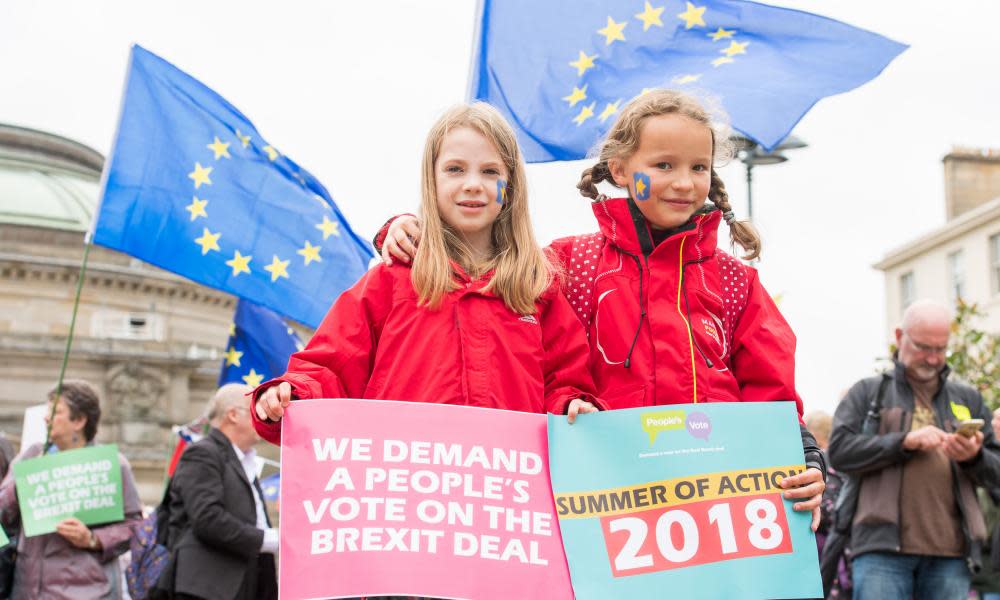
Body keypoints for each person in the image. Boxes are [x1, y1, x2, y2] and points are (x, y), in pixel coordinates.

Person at [376, 89, 825, 525]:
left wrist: (805, 459)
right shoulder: (570, 264)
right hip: (604, 504)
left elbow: (773, 395)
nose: (684, 182)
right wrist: (408, 231)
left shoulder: (735, 281)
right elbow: (485, 279)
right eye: (664, 165)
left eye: (699, 167)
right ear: (621, 169)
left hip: (714, 503)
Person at [253, 101, 599, 437]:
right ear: (431, 181)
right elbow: (329, 367)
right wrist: (290, 394)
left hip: (505, 485)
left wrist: (573, 406)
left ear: (510, 188)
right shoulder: (392, 279)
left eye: (490, 171)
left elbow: (565, 381)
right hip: (407, 485)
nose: (473, 183)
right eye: (455, 169)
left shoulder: (537, 289)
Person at [828, 299, 1000, 600]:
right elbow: (840, 452)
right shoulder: (869, 393)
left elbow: (997, 471)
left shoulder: (967, 397)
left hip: (953, 554)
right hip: (880, 552)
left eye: (940, 349)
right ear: (899, 337)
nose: (933, 359)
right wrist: (903, 442)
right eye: (923, 347)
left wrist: (974, 457)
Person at [0, 379, 142, 599]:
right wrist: (24, 484)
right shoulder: (30, 456)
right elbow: (2, 514)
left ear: (79, 420)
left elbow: (134, 526)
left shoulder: (112, 464)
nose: (46, 418)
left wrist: (93, 539)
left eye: (56, 412)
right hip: (28, 589)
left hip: (87, 591)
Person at [156, 383, 277, 600]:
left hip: (247, 582)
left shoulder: (245, 461)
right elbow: (207, 518)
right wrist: (269, 539)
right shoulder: (202, 453)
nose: (264, 417)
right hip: (208, 586)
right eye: (257, 410)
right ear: (233, 415)